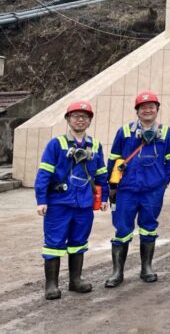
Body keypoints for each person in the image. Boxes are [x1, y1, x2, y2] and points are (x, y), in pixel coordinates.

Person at [34, 101, 109, 300]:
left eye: (84, 116)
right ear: (68, 119)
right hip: (59, 202)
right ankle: (51, 285)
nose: (80, 120)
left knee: (78, 242)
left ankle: (75, 281)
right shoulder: (56, 144)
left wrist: (104, 197)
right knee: (54, 243)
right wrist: (41, 199)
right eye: (75, 116)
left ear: (90, 121)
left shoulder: (95, 145)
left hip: (84, 204)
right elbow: (44, 173)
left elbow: (101, 173)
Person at [105, 90, 170, 287]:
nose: (147, 110)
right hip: (127, 190)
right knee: (122, 229)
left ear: (157, 109)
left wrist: (163, 182)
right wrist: (111, 186)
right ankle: (117, 272)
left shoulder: (166, 132)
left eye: (151, 107)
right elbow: (113, 159)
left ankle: (146, 268)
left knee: (148, 227)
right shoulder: (124, 132)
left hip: (152, 191)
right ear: (137, 111)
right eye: (143, 107)